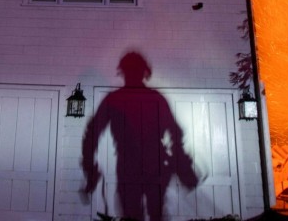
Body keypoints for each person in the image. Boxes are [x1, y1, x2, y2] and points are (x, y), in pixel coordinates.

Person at [81, 51, 200, 221]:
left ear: (122, 72)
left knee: (133, 215)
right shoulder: (155, 99)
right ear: (144, 72)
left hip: (131, 166)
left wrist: (89, 166)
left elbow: (92, 134)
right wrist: (180, 161)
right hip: (154, 166)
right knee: (155, 214)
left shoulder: (115, 99)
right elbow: (176, 132)